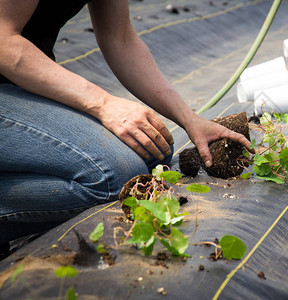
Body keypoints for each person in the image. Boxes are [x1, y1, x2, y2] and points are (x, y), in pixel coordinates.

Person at [0, 0, 252, 251]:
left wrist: (189, 118)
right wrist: (103, 104)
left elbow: (119, 37)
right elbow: (4, 41)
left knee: (153, 150)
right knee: (114, 176)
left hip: (20, 83)